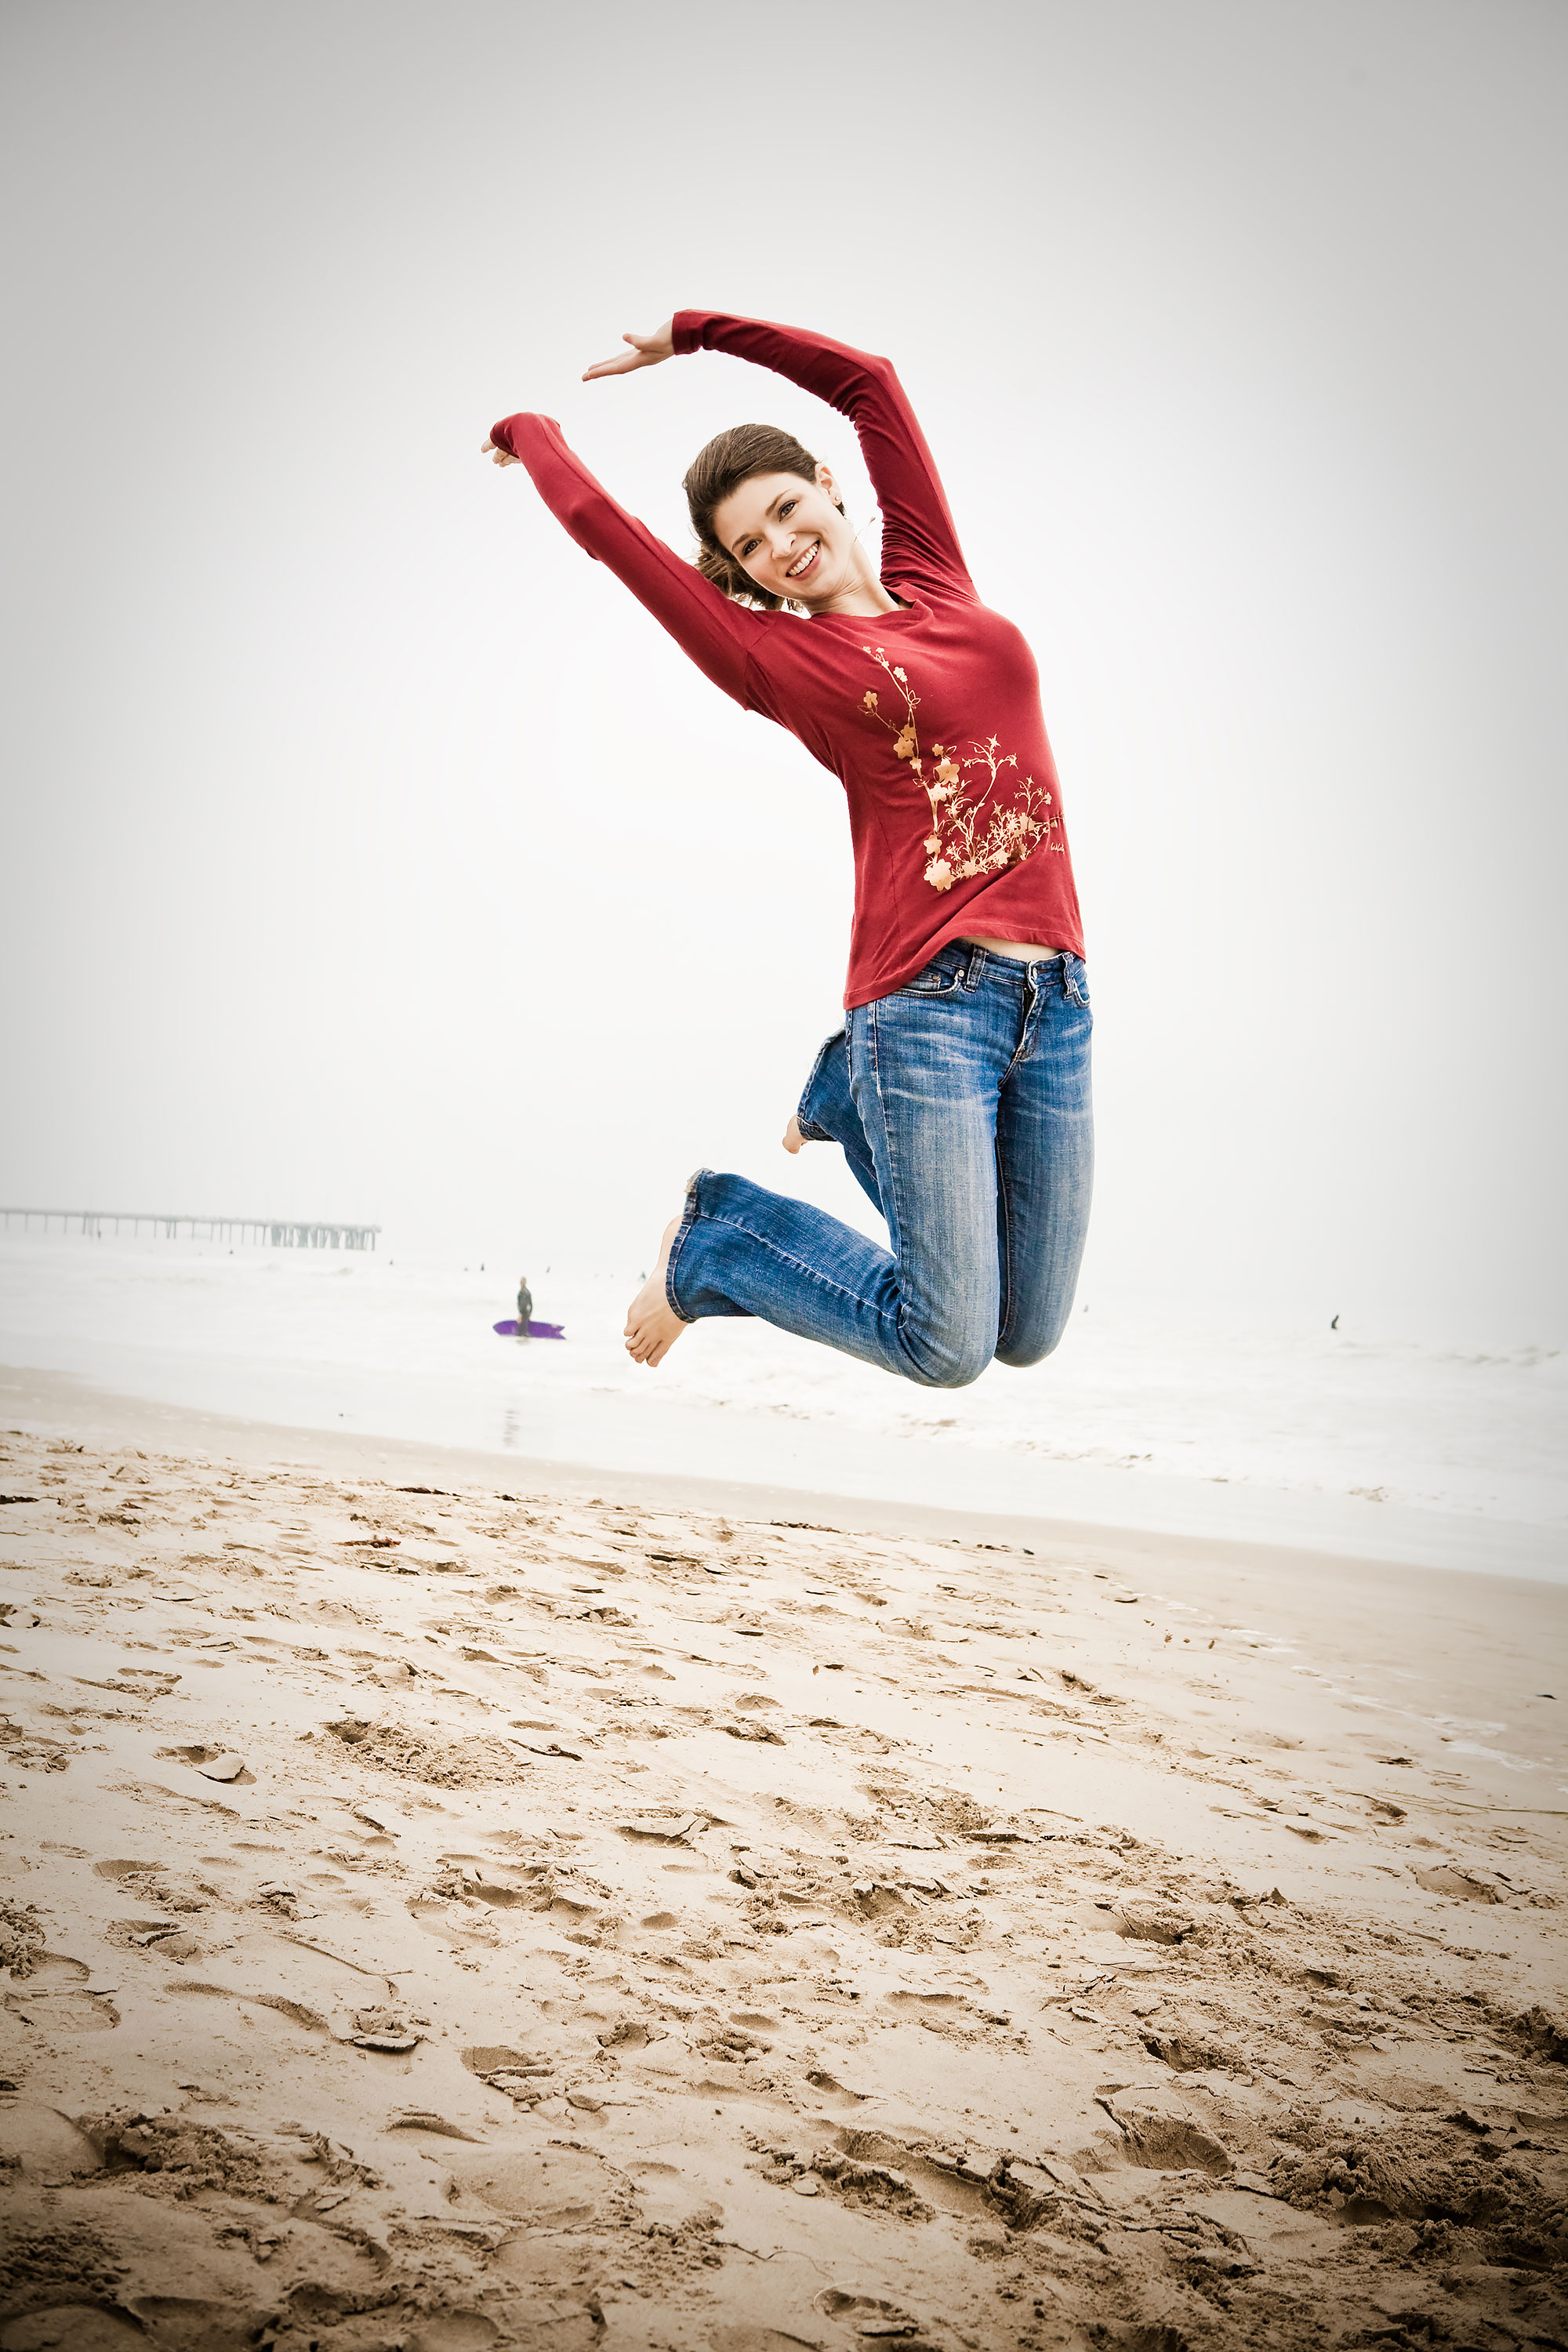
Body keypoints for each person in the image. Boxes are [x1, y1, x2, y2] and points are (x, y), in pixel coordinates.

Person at [482, 312, 1092, 1389]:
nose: (780, 548)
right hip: (927, 1005)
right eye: (750, 548)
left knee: (1029, 1333)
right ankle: (723, 1232)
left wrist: (692, 334)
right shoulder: (778, 659)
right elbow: (608, 533)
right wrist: (531, 431)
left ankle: (845, 1094)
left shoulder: (938, 578)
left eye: (784, 511)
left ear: (824, 483)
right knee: (947, 1345)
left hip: (1059, 1000)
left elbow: (870, 382)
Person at [516, 1273, 532, 1339]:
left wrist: (521, 1313)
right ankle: (524, 1332)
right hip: (526, 1311)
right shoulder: (526, 1291)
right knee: (524, 1324)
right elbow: (530, 1303)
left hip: (524, 1311)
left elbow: (522, 1303)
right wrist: (530, 1312)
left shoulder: (523, 1292)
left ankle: (523, 1332)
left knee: (522, 1330)